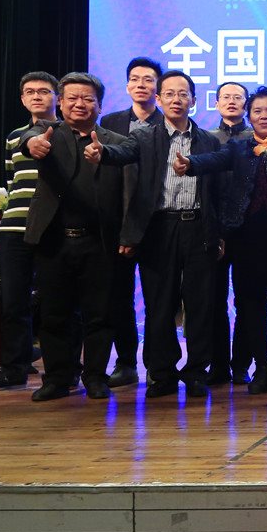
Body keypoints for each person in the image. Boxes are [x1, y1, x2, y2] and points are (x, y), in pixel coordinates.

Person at [88, 70, 222, 399]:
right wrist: (103, 153)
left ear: (193, 100)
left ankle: (196, 372)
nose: (177, 100)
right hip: (159, 229)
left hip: (198, 227)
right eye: (170, 94)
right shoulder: (145, 137)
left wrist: (218, 234)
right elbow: (122, 153)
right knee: (159, 305)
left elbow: (218, 192)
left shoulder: (208, 141)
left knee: (200, 304)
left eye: (183, 94)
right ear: (159, 99)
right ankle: (161, 373)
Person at [177, 86, 267, 395]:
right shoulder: (238, 148)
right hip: (246, 241)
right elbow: (214, 159)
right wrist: (191, 164)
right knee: (251, 307)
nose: (264, 116)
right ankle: (261, 368)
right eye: (257, 111)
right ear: (249, 116)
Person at [21, 72, 133, 402]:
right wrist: (32, 144)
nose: (79, 104)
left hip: (99, 241)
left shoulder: (115, 140)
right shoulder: (47, 132)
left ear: (100, 105)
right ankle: (58, 378)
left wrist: (104, 154)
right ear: (60, 102)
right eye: (72, 98)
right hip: (54, 241)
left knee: (99, 315)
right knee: (55, 314)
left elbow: (129, 156)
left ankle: (95, 376)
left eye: (88, 99)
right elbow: (29, 137)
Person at [0, 71, 59, 390]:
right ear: (23, 99)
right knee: (14, 301)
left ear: (57, 96)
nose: (37, 96)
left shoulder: (70, 133)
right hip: (14, 228)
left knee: (56, 303)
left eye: (44, 91)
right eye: (30, 91)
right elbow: (12, 180)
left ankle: (61, 369)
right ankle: (14, 367)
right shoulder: (15, 136)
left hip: (53, 228)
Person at [98, 56, 164, 388]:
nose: (141, 84)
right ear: (126, 86)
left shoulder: (170, 125)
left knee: (157, 300)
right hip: (116, 223)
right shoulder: (109, 123)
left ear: (158, 88)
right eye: (135, 79)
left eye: (148, 79)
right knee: (118, 298)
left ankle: (155, 363)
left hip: (157, 226)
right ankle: (125, 362)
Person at [208, 81, 254, 385]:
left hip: (249, 232)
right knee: (213, 301)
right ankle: (218, 365)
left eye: (238, 97)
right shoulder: (206, 138)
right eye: (226, 97)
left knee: (247, 301)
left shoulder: (259, 138)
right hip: (213, 229)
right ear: (216, 103)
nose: (232, 101)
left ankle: (241, 365)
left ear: (246, 104)